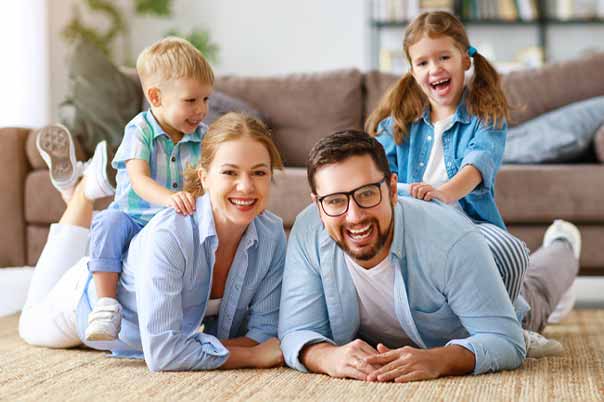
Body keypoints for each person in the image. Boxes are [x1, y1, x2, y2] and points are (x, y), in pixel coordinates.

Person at [278, 130, 580, 382]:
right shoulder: (308, 231)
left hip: (486, 291)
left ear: (393, 189)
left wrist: (440, 360)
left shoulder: (449, 240)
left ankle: (563, 243)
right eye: (335, 201)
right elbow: (294, 331)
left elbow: (506, 341)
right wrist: (327, 356)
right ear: (318, 205)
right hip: (460, 264)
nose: (354, 216)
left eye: (367, 193)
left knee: (536, 293)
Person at [20, 112, 286, 372]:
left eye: (259, 173)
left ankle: (81, 194)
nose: (246, 187)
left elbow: (264, 335)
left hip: (135, 289)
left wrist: (196, 349)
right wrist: (249, 356)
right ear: (204, 177)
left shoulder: (272, 235)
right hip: (81, 302)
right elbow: (164, 355)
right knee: (29, 323)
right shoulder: (170, 234)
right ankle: (82, 192)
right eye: (229, 172)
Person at [36, 36, 215, 341]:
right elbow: (139, 180)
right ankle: (106, 305)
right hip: (135, 214)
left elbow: (208, 178)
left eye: (206, 100)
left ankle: (200, 310)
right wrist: (170, 198)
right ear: (156, 97)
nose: (201, 110)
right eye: (191, 100)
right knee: (107, 222)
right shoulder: (140, 130)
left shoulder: (203, 135)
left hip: (176, 216)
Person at [366, 11, 538, 313]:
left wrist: (444, 193)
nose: (435, 69)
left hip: (469, 223)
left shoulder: (486, 116)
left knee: (515, 267)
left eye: (444, 57)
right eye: (422, 63)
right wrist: (408, 193)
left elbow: (477, 165)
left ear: (465, 60)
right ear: (412, 71)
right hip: (413, 222)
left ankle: (515, 313)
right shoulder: (399, 122)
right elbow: (375, 171)